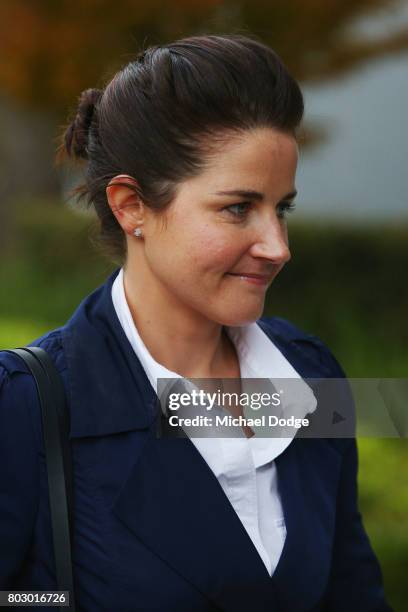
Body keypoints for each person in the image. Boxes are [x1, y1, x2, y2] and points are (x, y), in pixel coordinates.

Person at [0, 33, 393, 611]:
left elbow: (352, 592)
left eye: (281, 208)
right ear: (131, 204)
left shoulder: (307, 377)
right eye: (238, 208)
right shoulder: (24, 407)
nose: (277, 246)